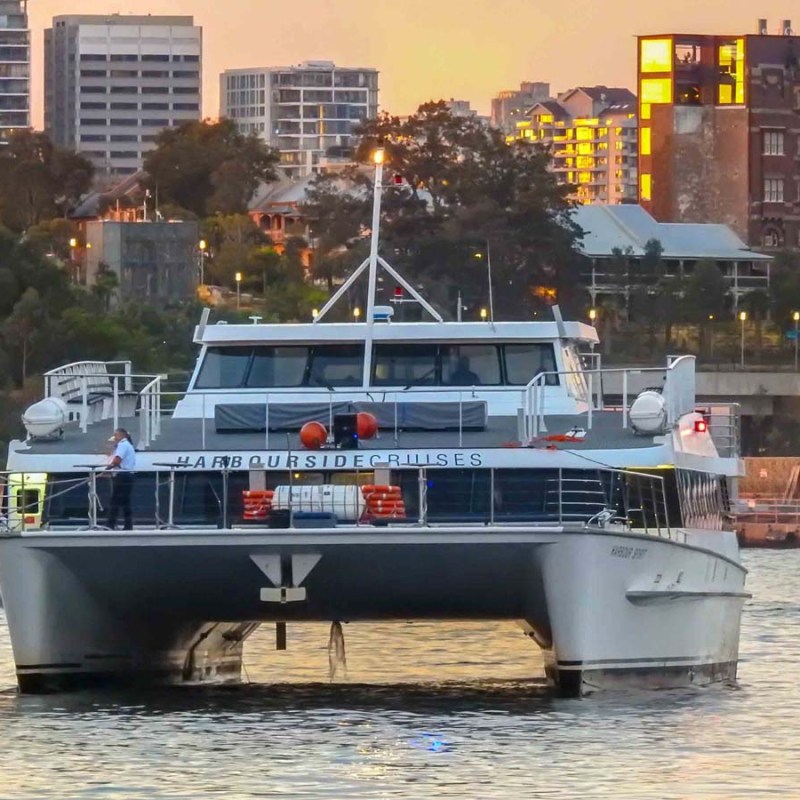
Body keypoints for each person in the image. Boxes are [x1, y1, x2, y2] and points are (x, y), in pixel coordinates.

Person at [106, 428, 136, 530]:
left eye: (116, 435)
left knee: (115, 501)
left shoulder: (123, 445)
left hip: (122, 475)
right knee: (125, 502)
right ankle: (128, 525)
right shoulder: (129, 445)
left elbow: (117, 460)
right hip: (129, 475)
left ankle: (110, 525)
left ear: (122, 435)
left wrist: (107, 469)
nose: (115, 438)